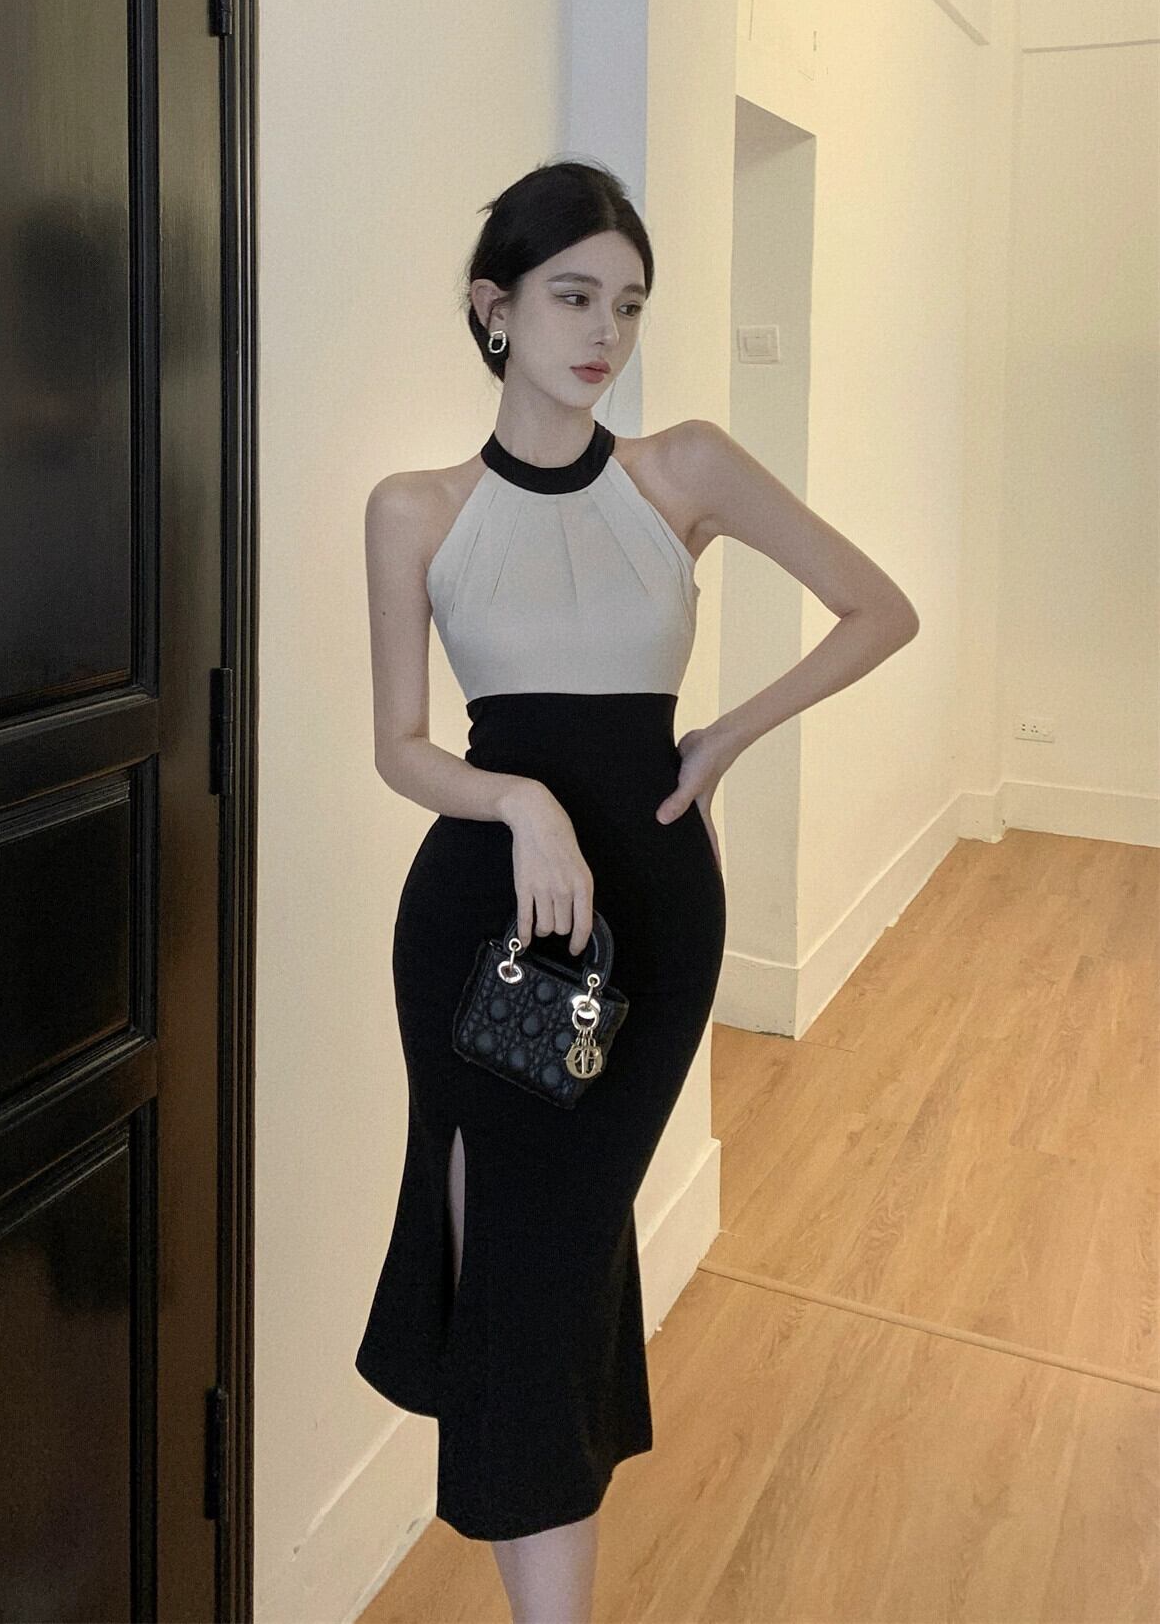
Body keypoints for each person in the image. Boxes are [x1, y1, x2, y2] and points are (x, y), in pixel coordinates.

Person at [355, 158, 918, 1623]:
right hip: (481, 922)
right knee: (508, 1271)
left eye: (628, 304)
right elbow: (402, 747)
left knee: (554, 1262)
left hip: (651, 923)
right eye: (572, 297)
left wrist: (722, 737)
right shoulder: (417, 509)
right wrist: (518, 798)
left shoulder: (684, 473)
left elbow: (881, 608)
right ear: (495, 307)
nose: (604, 331)